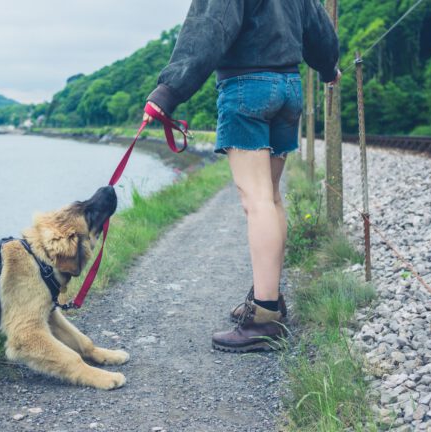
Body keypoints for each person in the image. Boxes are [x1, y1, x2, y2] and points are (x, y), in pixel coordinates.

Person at [144, 0, 341, 352]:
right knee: (272, 197)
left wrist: (168, 92)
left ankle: (264, 317)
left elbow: (209, 27)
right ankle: (271, 300)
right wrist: (328, 68)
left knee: (258, 200)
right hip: (288, 88)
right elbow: (318, 25)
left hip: (247, 87)